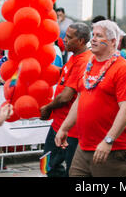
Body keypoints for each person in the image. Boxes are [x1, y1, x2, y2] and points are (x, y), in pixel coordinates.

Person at [55, 19, 126, 177]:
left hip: (111, 149)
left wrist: (108, 140)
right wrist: (64, 128)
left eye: (99, 36)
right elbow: (80, 100)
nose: (93, 39)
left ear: (113, 41)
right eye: (93, 35)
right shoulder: (89, 65)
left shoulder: (124, 69)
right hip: (84, 146)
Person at [40, 22, 91, 177]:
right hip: (59, 124)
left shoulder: (83, 61)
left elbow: (66, 96)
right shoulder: (74, 57)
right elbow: (65, 78)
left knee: (69, 170)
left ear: (81, 41)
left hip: (70, 128)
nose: (64, 39)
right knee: (46, 163)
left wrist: (47, 107)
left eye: (69, 37)